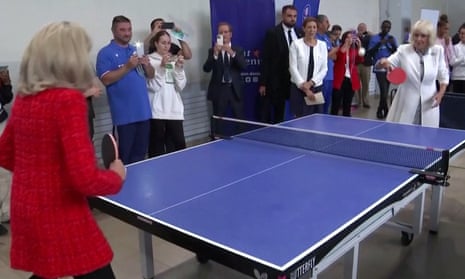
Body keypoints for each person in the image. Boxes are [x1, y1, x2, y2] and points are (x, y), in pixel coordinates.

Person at [0, 21, 126, 279]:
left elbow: (5, 153)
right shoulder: (68, 101)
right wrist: (115, 176)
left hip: (26, 208)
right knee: (95, 269)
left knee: (49, 271)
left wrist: (40, 174)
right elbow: (84, 178)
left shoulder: (25, 98)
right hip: (59, 211)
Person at [96, 15, 154, 164]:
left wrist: (147, 65)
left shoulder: (137, 49)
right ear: (113, 31)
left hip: (143, 113)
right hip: (124, 117)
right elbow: (106, 79)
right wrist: (128, 67)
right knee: (123, 158)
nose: (127, 33)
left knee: (140, 156)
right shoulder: (105, 53)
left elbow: (151, 75)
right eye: (122, 30)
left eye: (129, 29)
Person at [376, 20, 449, 127]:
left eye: (423, 36)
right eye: (416, 35)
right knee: (404, 137)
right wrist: (383, 62)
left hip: (429, 104)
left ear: (429, 38)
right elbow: (386, 63)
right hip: (406, 103)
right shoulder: (403, 50)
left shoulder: (438, 51)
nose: (418, 39)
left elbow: (444, 76)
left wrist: (440, 94)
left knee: (428, 139)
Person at [259, 5, 303, 123]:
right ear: (283, 16)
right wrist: (263, 83)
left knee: (296, 110)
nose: (292, 19)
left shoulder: (300, 32)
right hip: (277, 80)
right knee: (279, 111)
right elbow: (266, 59)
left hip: (296, 79)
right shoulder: (272, 33)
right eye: (289, 16)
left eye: (295, 16)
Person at [147, 31, 187, 157]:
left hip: (174, 110)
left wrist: (179, 68)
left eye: (169, 43)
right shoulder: (149, 60)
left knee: (178, 147)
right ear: (156, 44)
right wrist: (162, 67)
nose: (166, 46)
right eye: (163, 43)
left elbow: (180, 86)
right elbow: (152, 86)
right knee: (157, 149)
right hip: (157, 112)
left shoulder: (173, 60)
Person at [203, 22, 247, 136]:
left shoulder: (238, 49)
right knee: (218, 119)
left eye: (225, 32)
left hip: (234, 90)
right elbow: (206, 69)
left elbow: (244, 66)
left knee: (239, 118)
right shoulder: (212, 51)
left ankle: (243, 140)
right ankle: (216, 140)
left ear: (230, 34)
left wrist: (231, 52)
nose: (223, 34)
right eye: (220, 32)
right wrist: (216, 55)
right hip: (219, 89)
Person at [289, 17, 328, 117]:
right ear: (304, 28)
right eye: (309, 27)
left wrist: (311, 83)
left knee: (316, 118)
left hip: (316, 88)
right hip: (299, 88)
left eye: (314, 27)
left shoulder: (322, 45)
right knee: (299, 118)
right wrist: (305, 88)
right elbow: (292, 67)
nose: (312, 30)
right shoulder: (296, 44)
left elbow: (324, 69)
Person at [368, 20, 398, 119]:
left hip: (389, 66)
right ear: (381, 27)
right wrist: (380, 43)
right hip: (379, 66)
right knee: (383, 89)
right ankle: (384, 109)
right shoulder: (375, 38)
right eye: (384, 27)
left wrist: (392, 44)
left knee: (386, 90)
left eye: (388, 27)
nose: (386, 29)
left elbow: (396, 53)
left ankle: (382, 109)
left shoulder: (391, 38)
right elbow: (370, 52)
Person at [331, 31, 364, 116]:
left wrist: (360, 46)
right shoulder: (339, 48)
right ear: (344, 38)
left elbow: (360, 60)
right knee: (336, 103)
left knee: (347, 103)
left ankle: (346, 121)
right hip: (340, 80)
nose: (350, 39)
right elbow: (341, 56)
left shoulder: (354, 50)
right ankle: (332, 121)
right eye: (348, 37)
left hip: (351, 80)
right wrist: (346, 44)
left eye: (351, 37)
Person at [317, 14, 338, 114]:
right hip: (322, 77)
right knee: (319, 104)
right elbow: (323, 56)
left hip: (330, 75)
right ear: (320, 24)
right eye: (326, 22)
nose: (329, 24)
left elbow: (332, 56)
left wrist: (334, 52)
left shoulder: (326, 37)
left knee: (327, 103)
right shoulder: (316, 37)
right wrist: (337, 49)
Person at [0, 66, 13, 236]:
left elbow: (6, 98)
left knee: (8, 170)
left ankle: (6, 212)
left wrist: (6, 83)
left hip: (2, 124)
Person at [356, 22, 372, 108]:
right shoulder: (354, 37)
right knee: (356, 83)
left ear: (366, 29)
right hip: (356, 64)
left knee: (366, 83)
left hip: (366, 63)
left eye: (363, 27)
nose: (361, 29)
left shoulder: (370, 37)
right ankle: (358, 101)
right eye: (360, 27)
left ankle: (365, 101)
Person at [450, 24, 465, 93]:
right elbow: (452, 62)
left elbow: (456, 61)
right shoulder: (455, 47)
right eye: (461, 33)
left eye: (464, 34)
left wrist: (458, 60)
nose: (463, 35)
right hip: (457, 77)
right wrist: (462, 59)